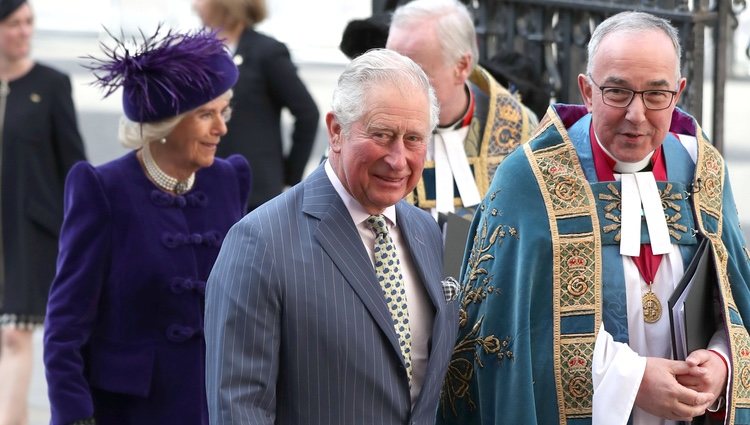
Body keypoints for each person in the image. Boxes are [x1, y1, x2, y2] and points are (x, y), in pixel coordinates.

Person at [437, 11, 750, 425]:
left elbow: (736, 298)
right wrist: (630, 380)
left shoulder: (701, 170)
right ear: (586, 91)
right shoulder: (529, 179)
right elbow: (507, 332)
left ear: (679, 92)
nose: (637, 115)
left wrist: (722, 362)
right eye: (617, 92)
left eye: (657, 94)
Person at [204, 48, 458, 425]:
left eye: (414, 139)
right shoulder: (259, 243)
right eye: (382, 135)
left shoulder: (427, 231)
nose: (398, 158)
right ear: (336, 131)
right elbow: (240, 408)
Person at [43, 27, 251, 425]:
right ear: (165, 124)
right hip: (127, 409)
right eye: (206, 114)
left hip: (214, 405)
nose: (221, 128)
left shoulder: (230, 180)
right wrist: (73, 412)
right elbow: (66, 324)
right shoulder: (102, 190)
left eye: (224, 111)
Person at [0, 0, 86, 423]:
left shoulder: (50, 84)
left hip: (29, 229)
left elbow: (74, 164)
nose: (24, 31)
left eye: (28, 22)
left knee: (15, 334)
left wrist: (77, 225)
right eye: (13, 24)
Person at [385, 0, 538, 218]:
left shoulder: (520, 130)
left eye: (416, 75)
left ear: (462, 67)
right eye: (390, 70)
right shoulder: (361, 121)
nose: (395, 87)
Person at [193, 0, 319, 211]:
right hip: (204, 185)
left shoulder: (267, 52)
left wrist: (289, 174)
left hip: (254, 193)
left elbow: (307, 113)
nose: (195, 5)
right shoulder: (200, 52)